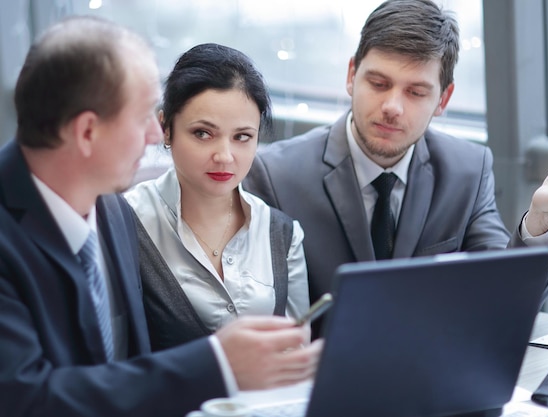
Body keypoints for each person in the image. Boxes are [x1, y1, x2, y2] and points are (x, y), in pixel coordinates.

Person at [0, 16, 320, 417]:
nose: (156, 134)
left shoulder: (109, 209)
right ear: (86, 133)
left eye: (243, 136)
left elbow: (116, 363)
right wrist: (218, 363)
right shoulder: (128, 213)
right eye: (143, 117)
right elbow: (25, 400)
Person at [243, 0, 548, 338]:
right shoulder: (275, 174)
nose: (392, 107)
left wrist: (542, 217)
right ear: (352, 74)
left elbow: (504, 295)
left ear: (443, 99)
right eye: (378, 83)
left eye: (416, 92)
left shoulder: (467, 169)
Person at [124, 43, 310, 351]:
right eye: (203, 133)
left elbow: (295, 353)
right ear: (165, 129)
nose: (224, 156)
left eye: (242, 137)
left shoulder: (282, 235)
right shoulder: (126, 222)